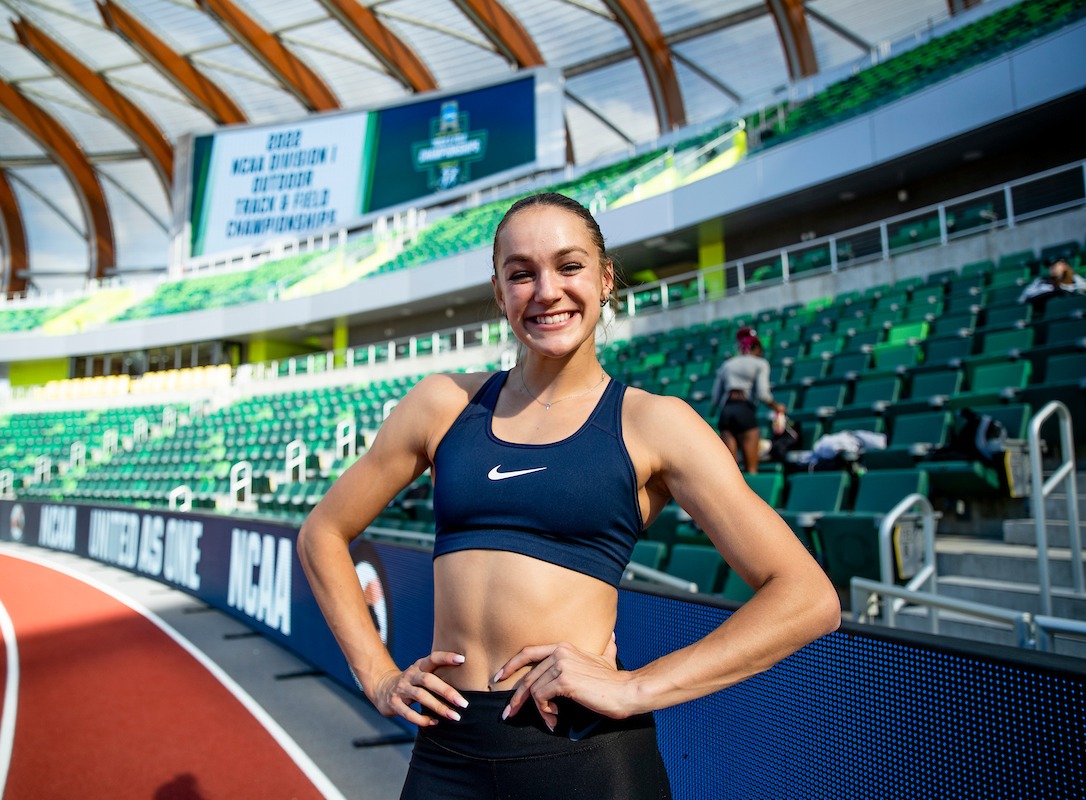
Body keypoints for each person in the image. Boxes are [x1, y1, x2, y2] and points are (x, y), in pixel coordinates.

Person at [297, 192, 842, 800]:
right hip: (447, 750)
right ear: (500, 295)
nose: (546, 290)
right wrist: (376, 673)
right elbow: (322, 532)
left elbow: (807, 597)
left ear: (606, 279)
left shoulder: (653, 423)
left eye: (569, 266)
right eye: (521, 273)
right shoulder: (442, 404)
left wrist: (637, 687)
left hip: (582, 753)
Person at [711, 328, 786, 474]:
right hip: (744, 411)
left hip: (726, 413)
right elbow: (763, 394)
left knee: (730, 471)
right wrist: (777, 407)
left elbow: (715, 399)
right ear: (756, 348)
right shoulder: (760, 363)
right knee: (751, 469)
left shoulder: (727, 364)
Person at [1018, 256, 1086, 309]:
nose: (1051, 268)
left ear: (1064, 266)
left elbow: (1083, 287)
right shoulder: (1042, 280)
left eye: (1054, 265)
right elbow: (1025, 296)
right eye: (1050, 266)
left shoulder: (1074, 278)